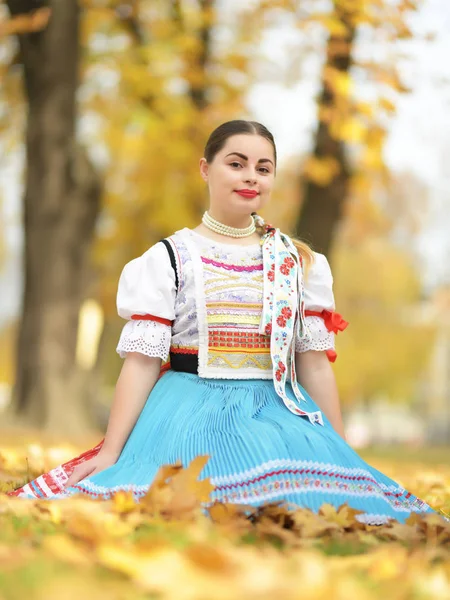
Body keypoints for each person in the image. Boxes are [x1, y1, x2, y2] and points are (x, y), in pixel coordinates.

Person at [9, 120, 446, 526]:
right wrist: (111, 449)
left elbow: (312, 363)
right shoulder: (170, 259)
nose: (251, 176)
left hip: (274, 405)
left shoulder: (296, 262)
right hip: (189, 407)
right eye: (236, 164)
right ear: (206, 168)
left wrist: (340, 450)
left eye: (263, 167)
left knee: (302, 483)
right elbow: (142, 363)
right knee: (192, 489)